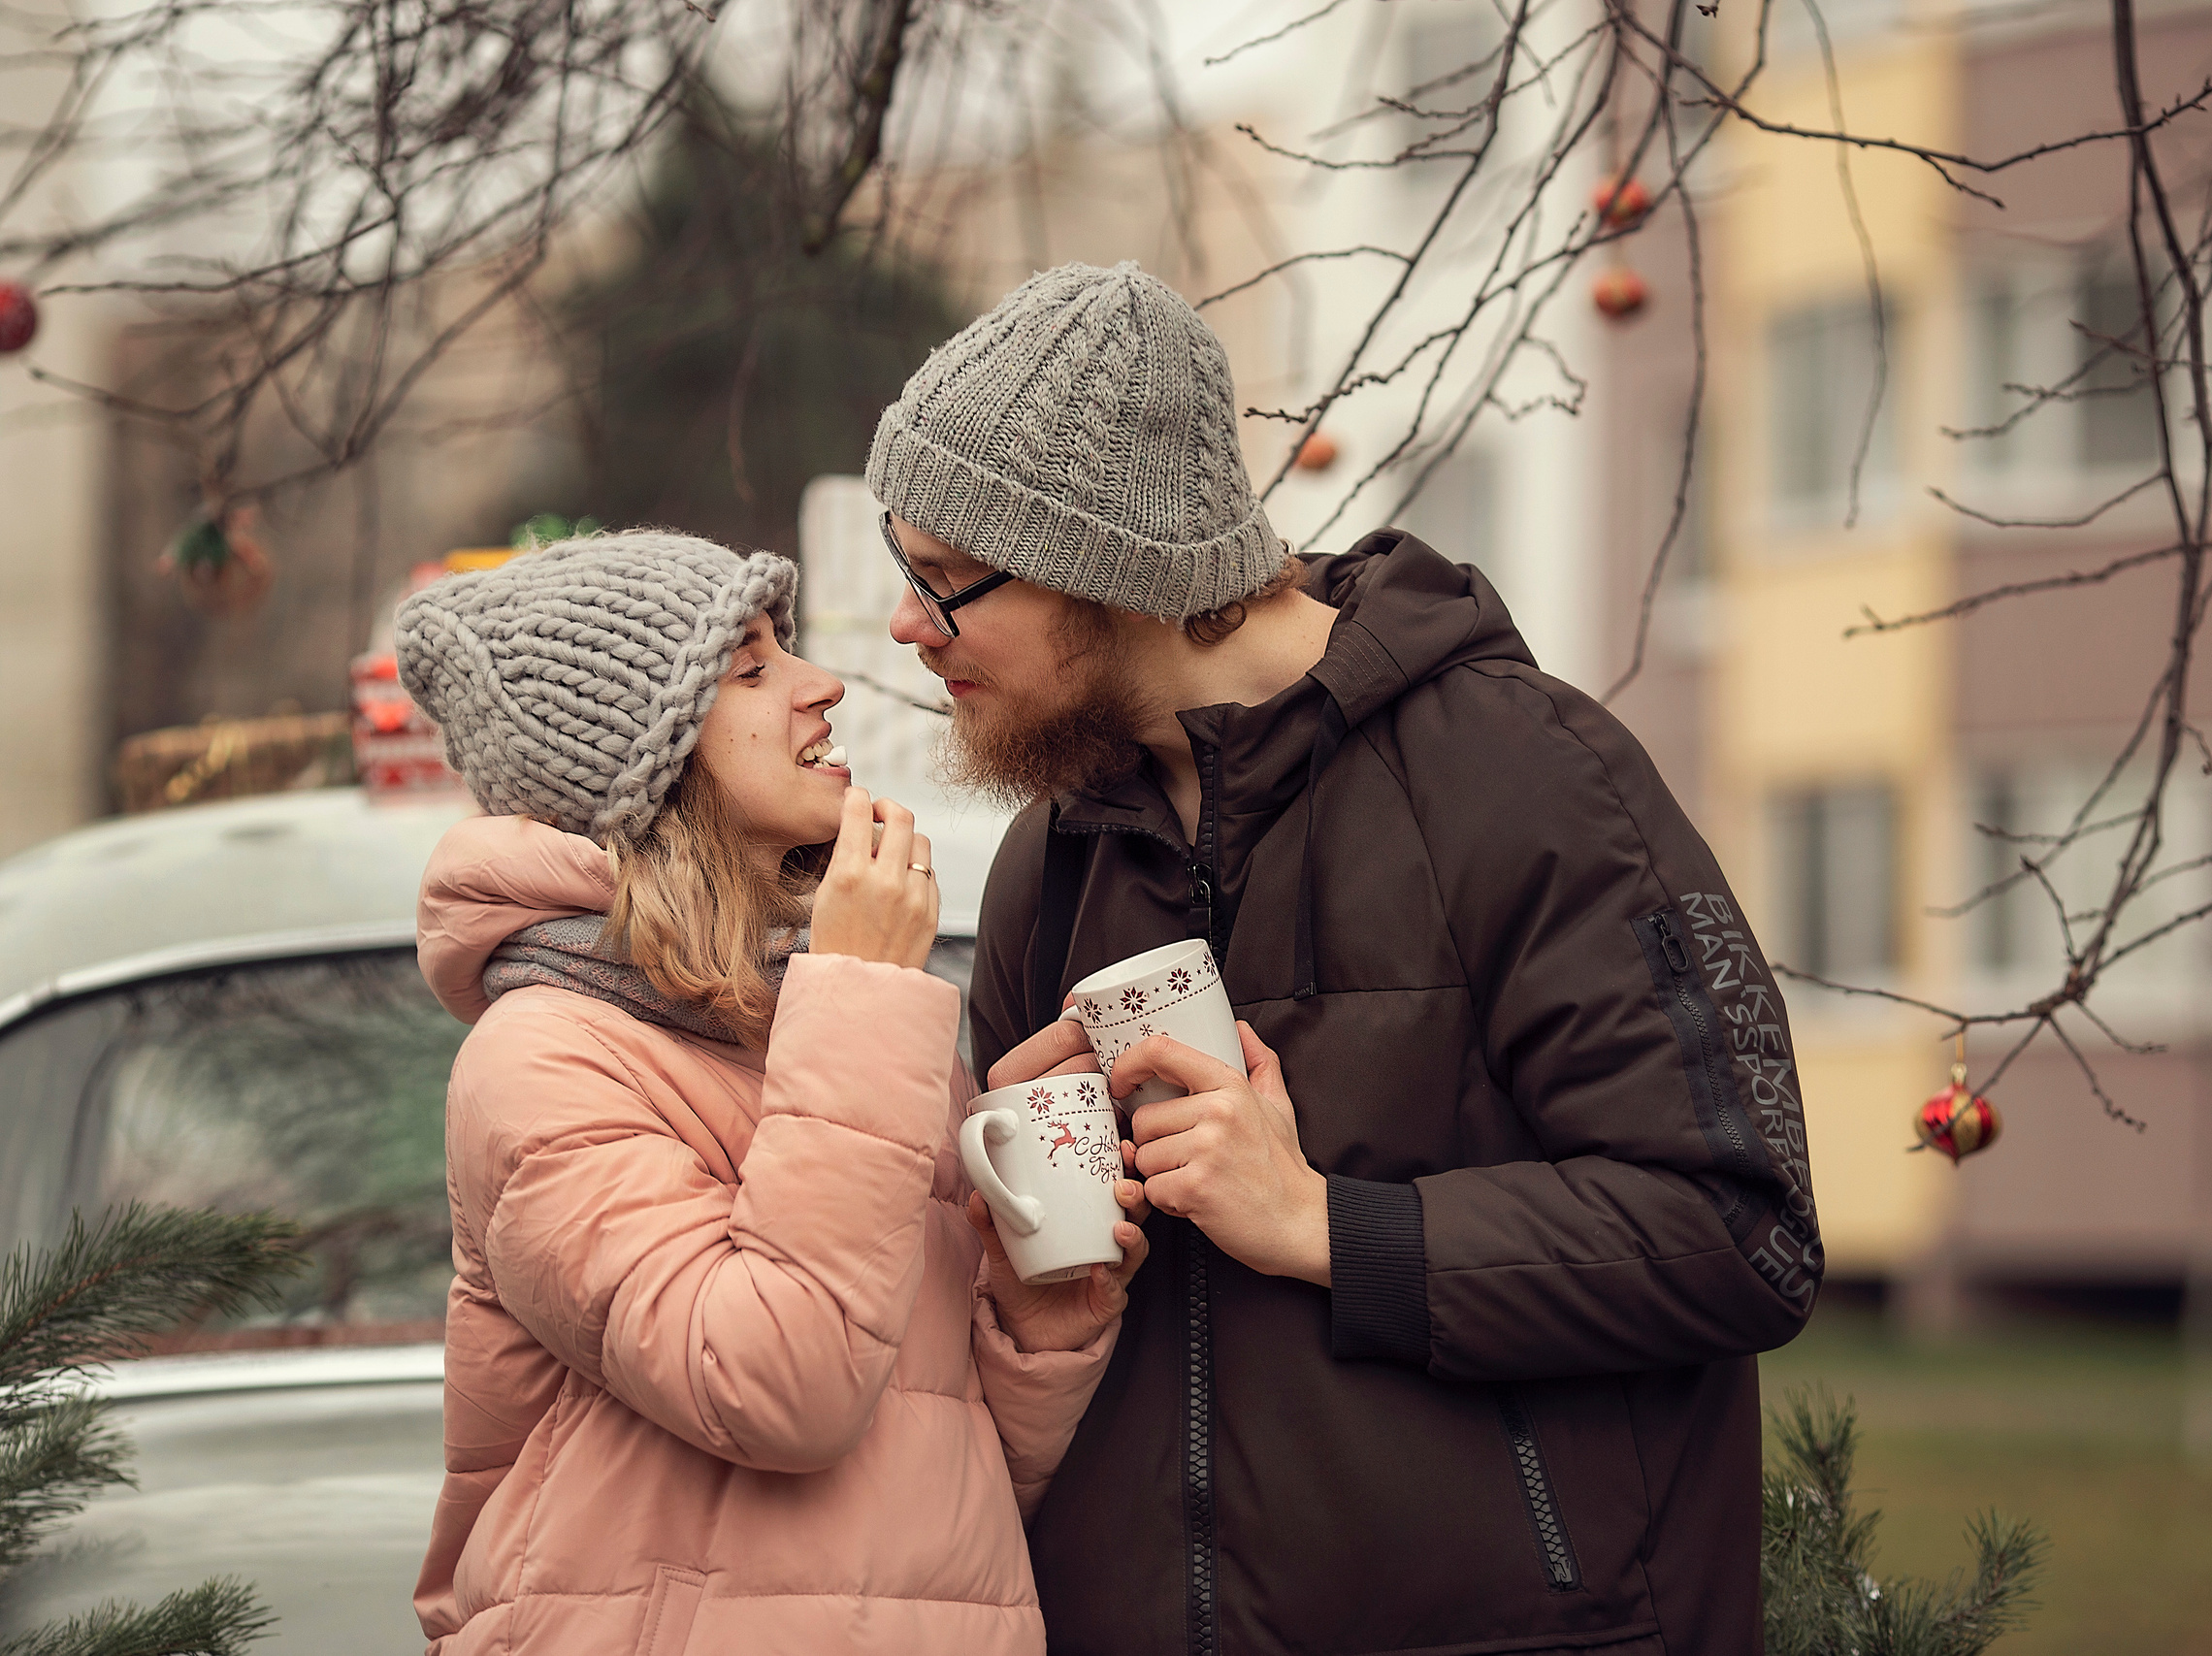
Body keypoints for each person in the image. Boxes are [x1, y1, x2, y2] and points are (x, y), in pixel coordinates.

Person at [867, 263, 1822, 1656]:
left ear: (1106, 566)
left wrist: (1328, 1222)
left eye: (946, 580)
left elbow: (1746, 1233)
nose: (907, 624)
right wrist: (1019, 1213)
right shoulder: (1052, 856)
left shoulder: (1527, 777)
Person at [393, 532, 1145, 1653]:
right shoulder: (544, 1059)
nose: (821, 684)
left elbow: (935, 1496)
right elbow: (779, 1389)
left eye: (784, 648)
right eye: (750, 668)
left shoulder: (817, 1017)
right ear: (640, 769)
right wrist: (860, 994)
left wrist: (1036, 1320)